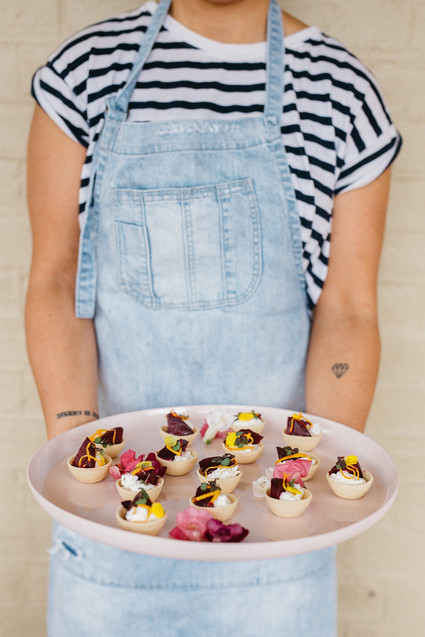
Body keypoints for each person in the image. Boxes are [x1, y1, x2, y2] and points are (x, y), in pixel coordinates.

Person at [26, 0, 401, 635]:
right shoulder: (85, 73)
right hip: (111, 540)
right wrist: (80, 456)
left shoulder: (343, 94)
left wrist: (309, 488)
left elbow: (350, 309)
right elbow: (55, 281)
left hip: (276, 558)